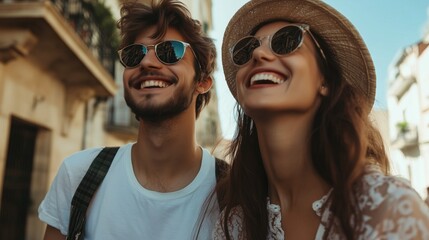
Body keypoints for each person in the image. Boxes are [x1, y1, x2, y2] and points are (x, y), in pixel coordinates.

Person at [213, 0, 429, 239]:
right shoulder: (232, 226)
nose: (258, 53)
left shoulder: (389, 210)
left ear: (325, 81)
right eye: (247, 48)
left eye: (287, 41)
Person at [38, 0, 219, 239]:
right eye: (135, 55)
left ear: (202, 82)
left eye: (170, 51)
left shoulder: (234, 193)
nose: (146, 62)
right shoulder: (78, 175)